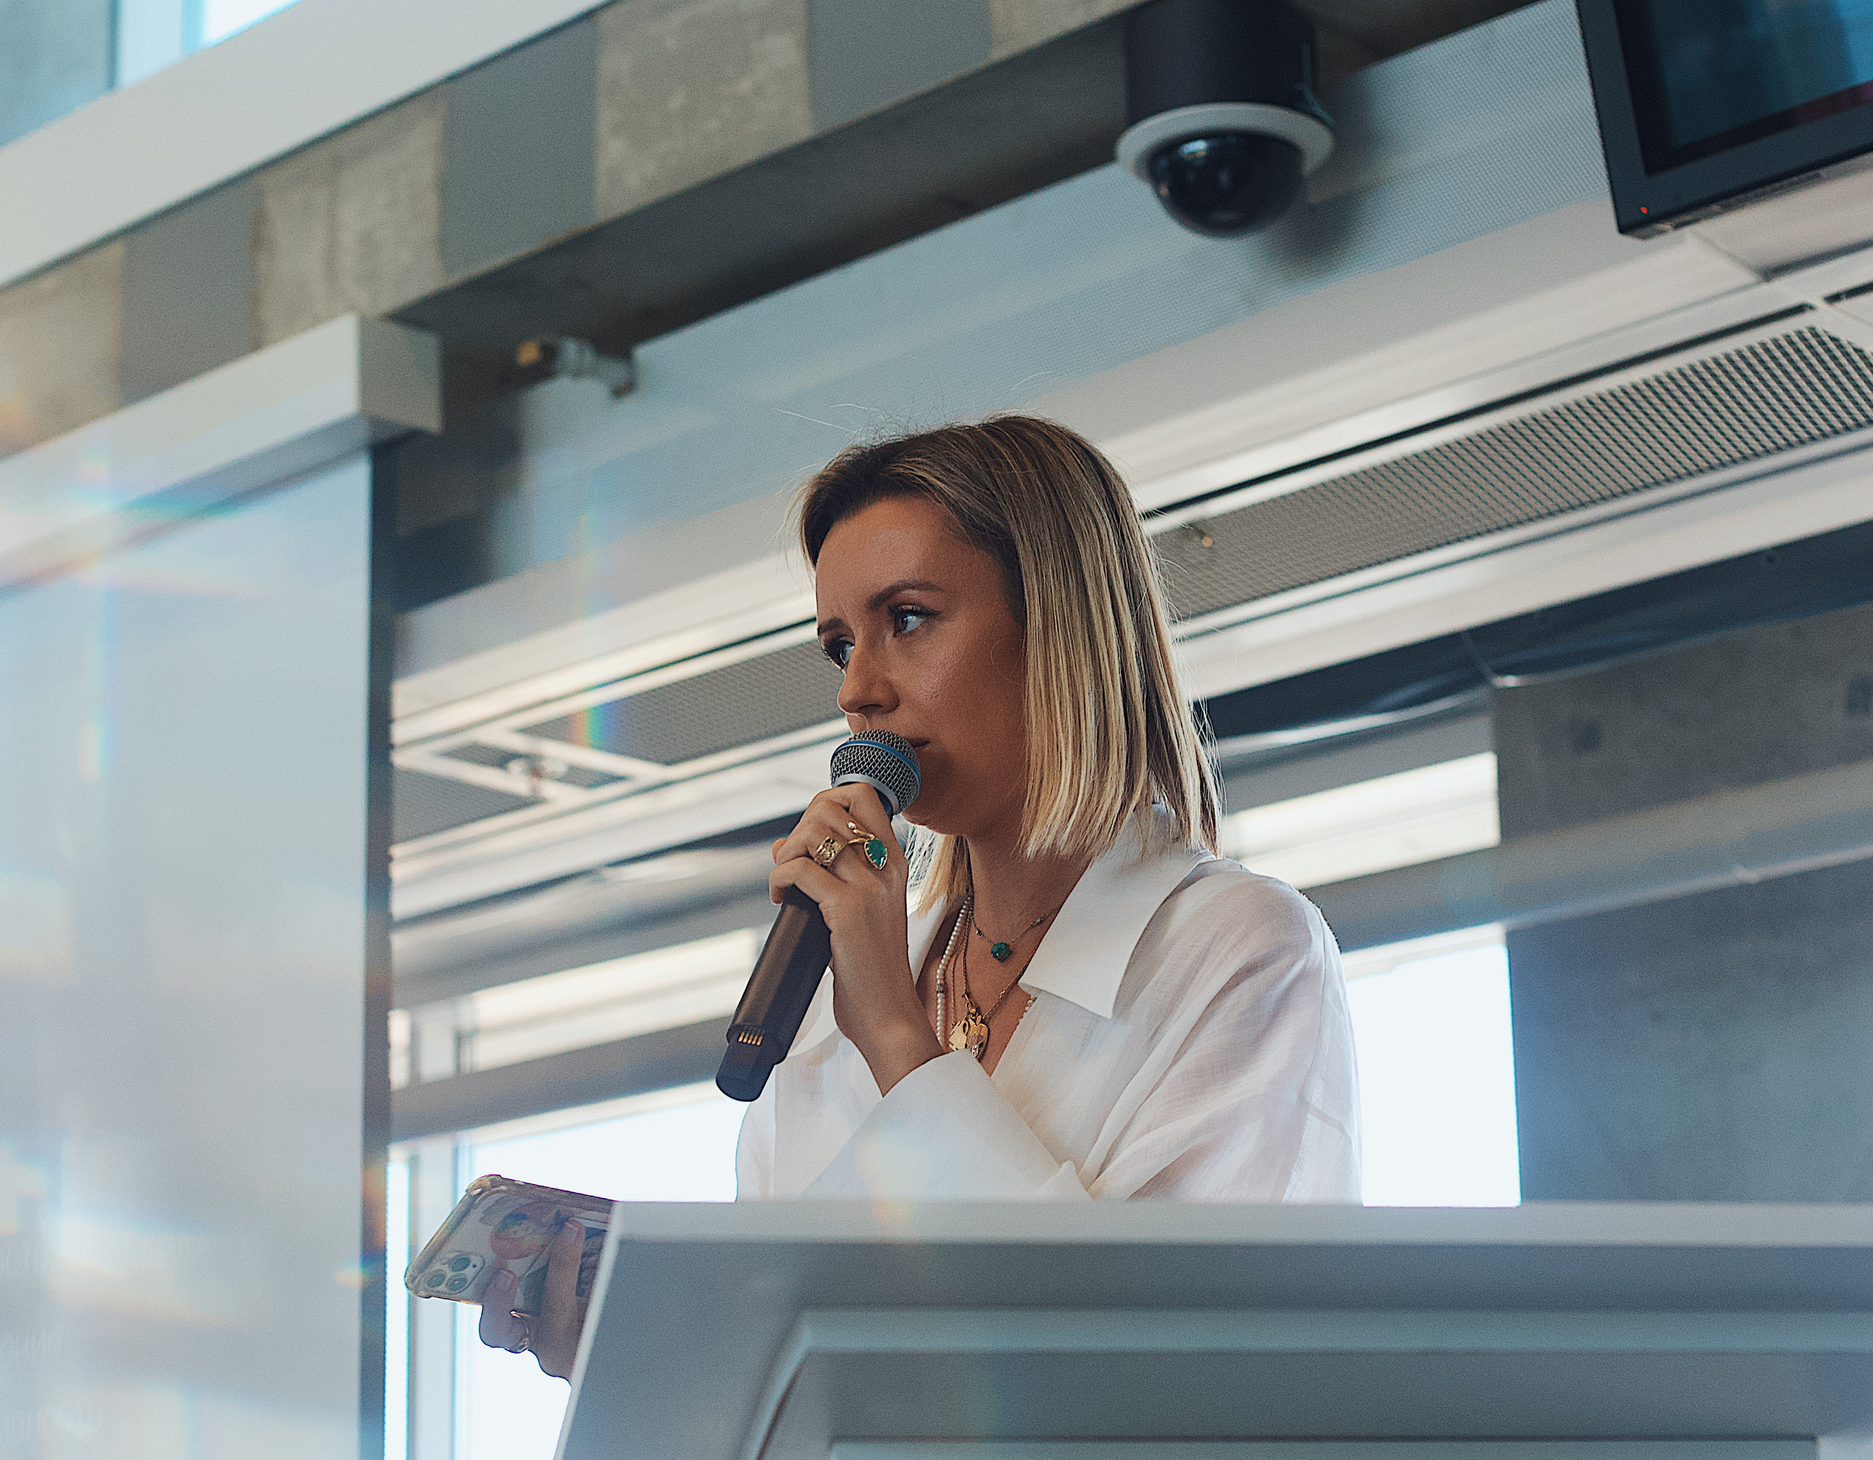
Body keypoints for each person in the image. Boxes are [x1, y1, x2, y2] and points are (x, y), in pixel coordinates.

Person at [484, 415, 1361, 1377]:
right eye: (837, 645)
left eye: (907, 619)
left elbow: (1165, 1373)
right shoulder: (824, 1005)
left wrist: (901, 1045)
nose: (857, 688)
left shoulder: (1238, 950)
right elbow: (809, 1406)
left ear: (1058, 629)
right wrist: (645, 1364)